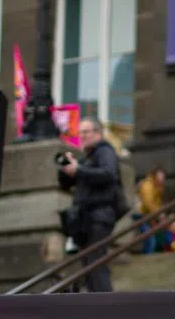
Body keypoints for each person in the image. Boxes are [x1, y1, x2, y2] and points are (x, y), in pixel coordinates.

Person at [58, 117, 123, 292]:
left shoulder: (105, 151)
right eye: (80, 133)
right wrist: (66, 171)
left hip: (99, 216)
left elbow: (108, 174)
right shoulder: (88, 157)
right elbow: (67, 185)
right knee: (89, 266)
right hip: (86, 219)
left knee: (95, 264)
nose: (82, 136)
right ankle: (98, 306)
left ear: (98, 133)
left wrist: (79, 170)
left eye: (86, 132)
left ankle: (104, 308)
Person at [136, 168, 166, 252]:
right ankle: (147, 255)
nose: (162, 179)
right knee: (150, 238)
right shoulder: (147, 185)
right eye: (160, 176)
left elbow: (156, 202)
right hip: (141, 213)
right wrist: (158, 213)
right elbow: (148, 202)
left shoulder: (157, 186)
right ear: (155, 176)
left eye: (163, 177)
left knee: (152, 236)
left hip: (148, 213)